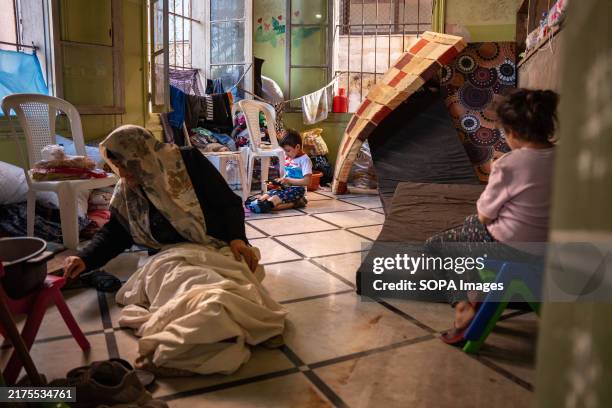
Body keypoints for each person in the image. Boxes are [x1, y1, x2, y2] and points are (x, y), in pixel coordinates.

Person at [425, 89, 559, 345]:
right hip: (552, 249)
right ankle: (476, 289)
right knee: (470, 227)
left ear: (513, 133)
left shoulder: (510, 164)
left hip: (512, 250)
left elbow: (485, 215)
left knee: (442, 242)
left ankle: (464, 303)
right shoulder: (566, 158)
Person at [63, 125, 259, 280]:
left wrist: (237, 238)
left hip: (213, 245)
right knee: (186, 291)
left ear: (141, 154)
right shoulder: (128, 190)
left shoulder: (187, 161)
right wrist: (85, 258)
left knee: (235, 281)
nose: (122, 173)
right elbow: (117, 231)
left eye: (125, 163)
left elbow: (228, 203)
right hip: (169, 257)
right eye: (117, 166)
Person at [247, 129, 312, 213]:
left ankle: (297, 202)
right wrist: (277, 182)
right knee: (265, 196)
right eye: (284, 151)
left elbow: (307, 181)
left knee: (271, 202)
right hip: (286, 187)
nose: (286, 154)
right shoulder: (290, 157)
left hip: (297, 190)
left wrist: (288, 180)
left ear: (298, 147)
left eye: (288, 150)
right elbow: (287, 176)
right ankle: (260, 204)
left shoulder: (305, 160)